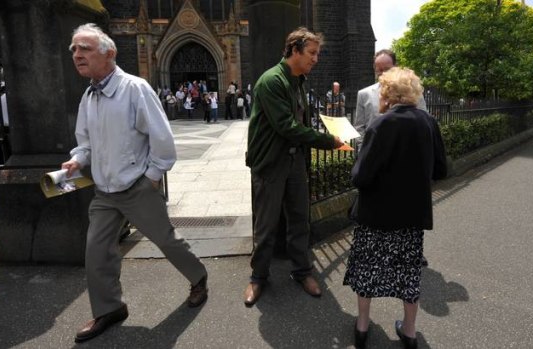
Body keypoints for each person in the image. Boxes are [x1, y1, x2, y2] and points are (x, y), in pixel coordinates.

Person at [63, 23, 208, 343]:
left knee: (167, 241)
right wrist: (78, 160)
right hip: (105, 192)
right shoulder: (89, 95)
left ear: (109, 53)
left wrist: (152, 178)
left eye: (84, 48)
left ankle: (199, 277)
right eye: (74, 49)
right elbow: (85, 142)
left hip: (137, 187)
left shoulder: (135, 88)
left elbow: (163, 140)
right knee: (96, 253)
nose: (76, 55)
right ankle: (109, 308)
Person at [343, 67, 447, 349]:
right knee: (408, 271)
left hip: (375, 213)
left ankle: (363, 327)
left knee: (367, 268)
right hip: (412, 214)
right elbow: (441, 169)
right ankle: (410, 331)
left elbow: (361, 177)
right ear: (413, 93)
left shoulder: (381, 124)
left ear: (387, 94)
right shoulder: (428, 122)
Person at [244, 27, 344, 306]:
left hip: (294, 161)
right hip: (271, 163)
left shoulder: (299, 81)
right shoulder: (272, 81)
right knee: (266, 225)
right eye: (312, 53)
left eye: (317, 54)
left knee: (300, 219)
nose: (316, 59)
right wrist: (329, 141)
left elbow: (299, 123)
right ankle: (258, 277)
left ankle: (302, 271)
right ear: (294, 51)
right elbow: (287, 127)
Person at [353, 49, 428, 150]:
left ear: (395, 67)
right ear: (374, 69)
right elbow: (359, 127)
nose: (383, 73)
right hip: (375, 152)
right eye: (379, 70)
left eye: (387, 69)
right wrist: (364, 149)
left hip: (406, 151)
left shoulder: (412, 92)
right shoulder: (364, 94)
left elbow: (424, 120)